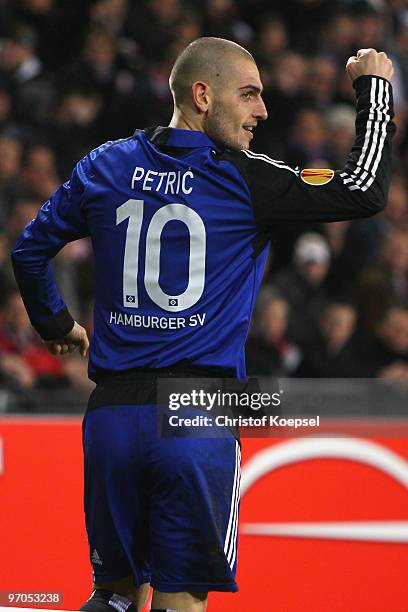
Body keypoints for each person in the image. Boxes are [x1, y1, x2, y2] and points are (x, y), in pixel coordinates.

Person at [11, 37, 394, 612]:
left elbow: (28, 251)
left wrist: (56, 322)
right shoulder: (246, 179)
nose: (263, 111)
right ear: (201, 95)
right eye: (248, 95)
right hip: (199, 411)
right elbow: (363, 190)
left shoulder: (106, 164)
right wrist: (376, 89)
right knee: (180, 603)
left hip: (111, 412)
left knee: (112, 596)